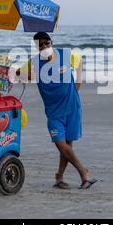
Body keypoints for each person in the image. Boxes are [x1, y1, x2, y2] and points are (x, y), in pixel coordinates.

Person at [12, 32, 97, 189]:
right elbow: (18, 73)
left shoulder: (66, 55)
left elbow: (79, 62)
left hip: (72, 107)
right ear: (37, 47)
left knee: (67, 146)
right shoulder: (34, 62)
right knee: (60, 144)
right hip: (53, 112)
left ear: (51, 42)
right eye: (41, 45)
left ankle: (59, 178)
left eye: (47, 43)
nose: (45, 46)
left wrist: (77, 84)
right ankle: (83, 172)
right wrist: (6, 69)